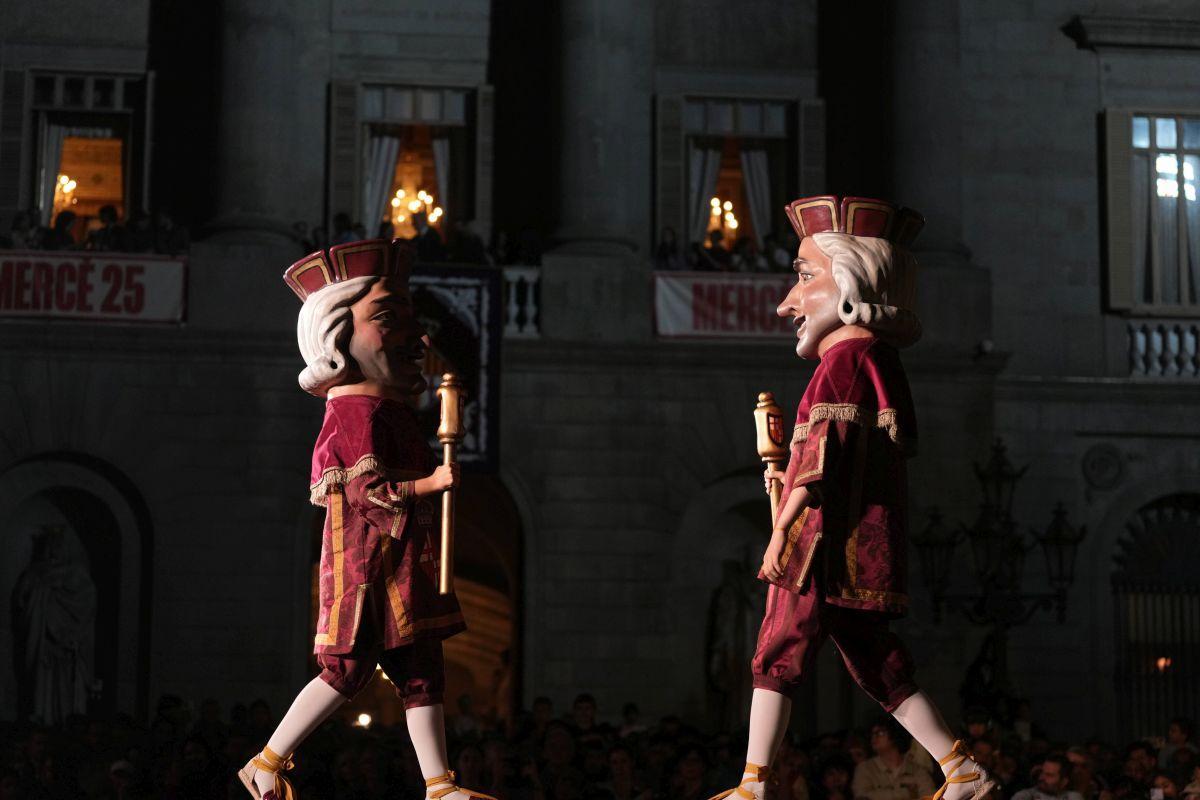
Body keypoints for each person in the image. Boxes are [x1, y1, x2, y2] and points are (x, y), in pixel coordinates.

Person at [706, 196, 992, 800]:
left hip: (822, 540)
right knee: (874, 659)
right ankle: (962, 767)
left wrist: (781, 529)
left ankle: (752, 785)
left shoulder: (843, 362)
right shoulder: (873, 359)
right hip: (853, 540)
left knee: (777, 647)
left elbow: (820, 465)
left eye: (804, 276)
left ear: (853, 281)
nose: (787, 301)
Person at [240, 238, 491, 800]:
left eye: (409, 319)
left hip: (400, 562)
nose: (414, 336)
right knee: (348, 669)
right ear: (336, 335)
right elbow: (365, 492)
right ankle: (267, 760)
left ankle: (439, 785)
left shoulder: (389, 409)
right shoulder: (353, 410)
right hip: (367, 567)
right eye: (387, 317)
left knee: (423, 669)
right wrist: (430, 482)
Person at [851, 720, 935, 800]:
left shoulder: (918, 771)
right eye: (872, 734)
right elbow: (862, 796)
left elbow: (930, 797)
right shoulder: (865, 769)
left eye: (880, 733)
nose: (874, 737)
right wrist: (906, 792)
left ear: (894, 735)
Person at [1011, 755, 1083, 800]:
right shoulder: (1025, 796)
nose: (1041, 778)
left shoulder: (1073, 797)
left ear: (1064, 782)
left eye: (1049, 775)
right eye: (1042, 772)